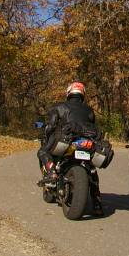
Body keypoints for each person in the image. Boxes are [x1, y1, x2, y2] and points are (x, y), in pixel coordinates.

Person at [37, 81, 104, 216]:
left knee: (43, 151)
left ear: (69, 93)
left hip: (66, 141)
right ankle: (97, 203)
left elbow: (50, 126)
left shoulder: (59, 107)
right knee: (92, 170)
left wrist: (46, 135)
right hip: (86, 143)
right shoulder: (90, 111)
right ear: (82, 94)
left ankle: (52, 173)